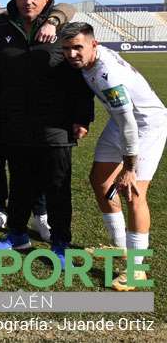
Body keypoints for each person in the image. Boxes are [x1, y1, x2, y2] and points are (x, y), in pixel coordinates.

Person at [0, 0, 94, 266]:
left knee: (57, 186)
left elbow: (78, 77)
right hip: (15, 121)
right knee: (20, 183)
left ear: (45, 0)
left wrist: (82, 118)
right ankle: (17, 234)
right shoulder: (2, 31)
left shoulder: (63, 31)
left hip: (55, 125)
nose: (28, 1)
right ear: (16, 0)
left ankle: (60, 242)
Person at [61, 22, 166, 291]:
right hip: (120, 121)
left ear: (94, 45)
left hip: (145, 125)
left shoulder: (109, 76)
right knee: (100, 180)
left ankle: (137, 269)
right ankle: (120, 247)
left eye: (78, 48)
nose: (72, 54)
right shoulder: (89, 61)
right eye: (67, 49)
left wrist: (130, 167)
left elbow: (131, 125)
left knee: (134, 193)